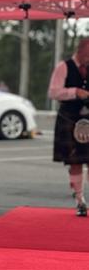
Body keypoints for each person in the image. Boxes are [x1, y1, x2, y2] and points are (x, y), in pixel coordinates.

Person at [48, 37, 89, 217]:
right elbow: (53, 92)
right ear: (81, 49)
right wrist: (75, 92)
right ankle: (80, 201)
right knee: (75, 162)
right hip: (69, 118)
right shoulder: (63, 67)